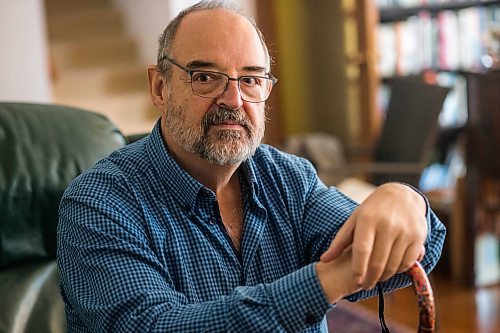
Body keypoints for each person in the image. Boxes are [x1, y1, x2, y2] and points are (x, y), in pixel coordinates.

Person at [57, 1, 445, 332]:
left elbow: (414, 255)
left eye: (252, 79)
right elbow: (158, 325)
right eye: (205, 77)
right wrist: (325, 282)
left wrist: (403, 202)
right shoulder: (97, 203)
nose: (234, 99)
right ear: (160, 87)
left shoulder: (289, 178)